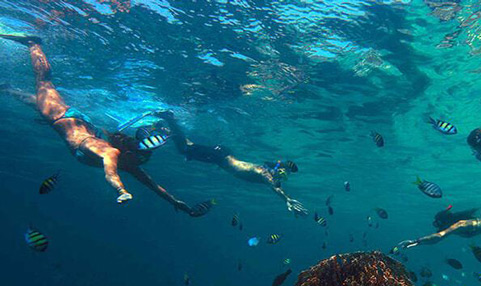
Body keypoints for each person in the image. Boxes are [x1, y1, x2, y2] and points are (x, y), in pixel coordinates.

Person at [1, 34, 196, 212]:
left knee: (37, 102)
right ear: (130, 153)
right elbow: (110, 174)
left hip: (74, 121)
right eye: (141, 159)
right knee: (44, 82)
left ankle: (7, 89)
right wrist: (121, 191)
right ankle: (33, 43)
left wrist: (174, 201)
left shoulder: (129, 165)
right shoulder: (111, 152)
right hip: (61, 117)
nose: (141, 163)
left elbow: (153, 185)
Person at [140, 110, 308, 216]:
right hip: (219, 157)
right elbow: (274, 186)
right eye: (280, 175)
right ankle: (169, 120)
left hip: (221, 156)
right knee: (185, 149)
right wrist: (287, 200)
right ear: (275, 173)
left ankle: (166, 127)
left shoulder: (264, 171)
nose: (279, 178)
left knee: (187, 148)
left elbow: (275, 181)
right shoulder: (263, 173)